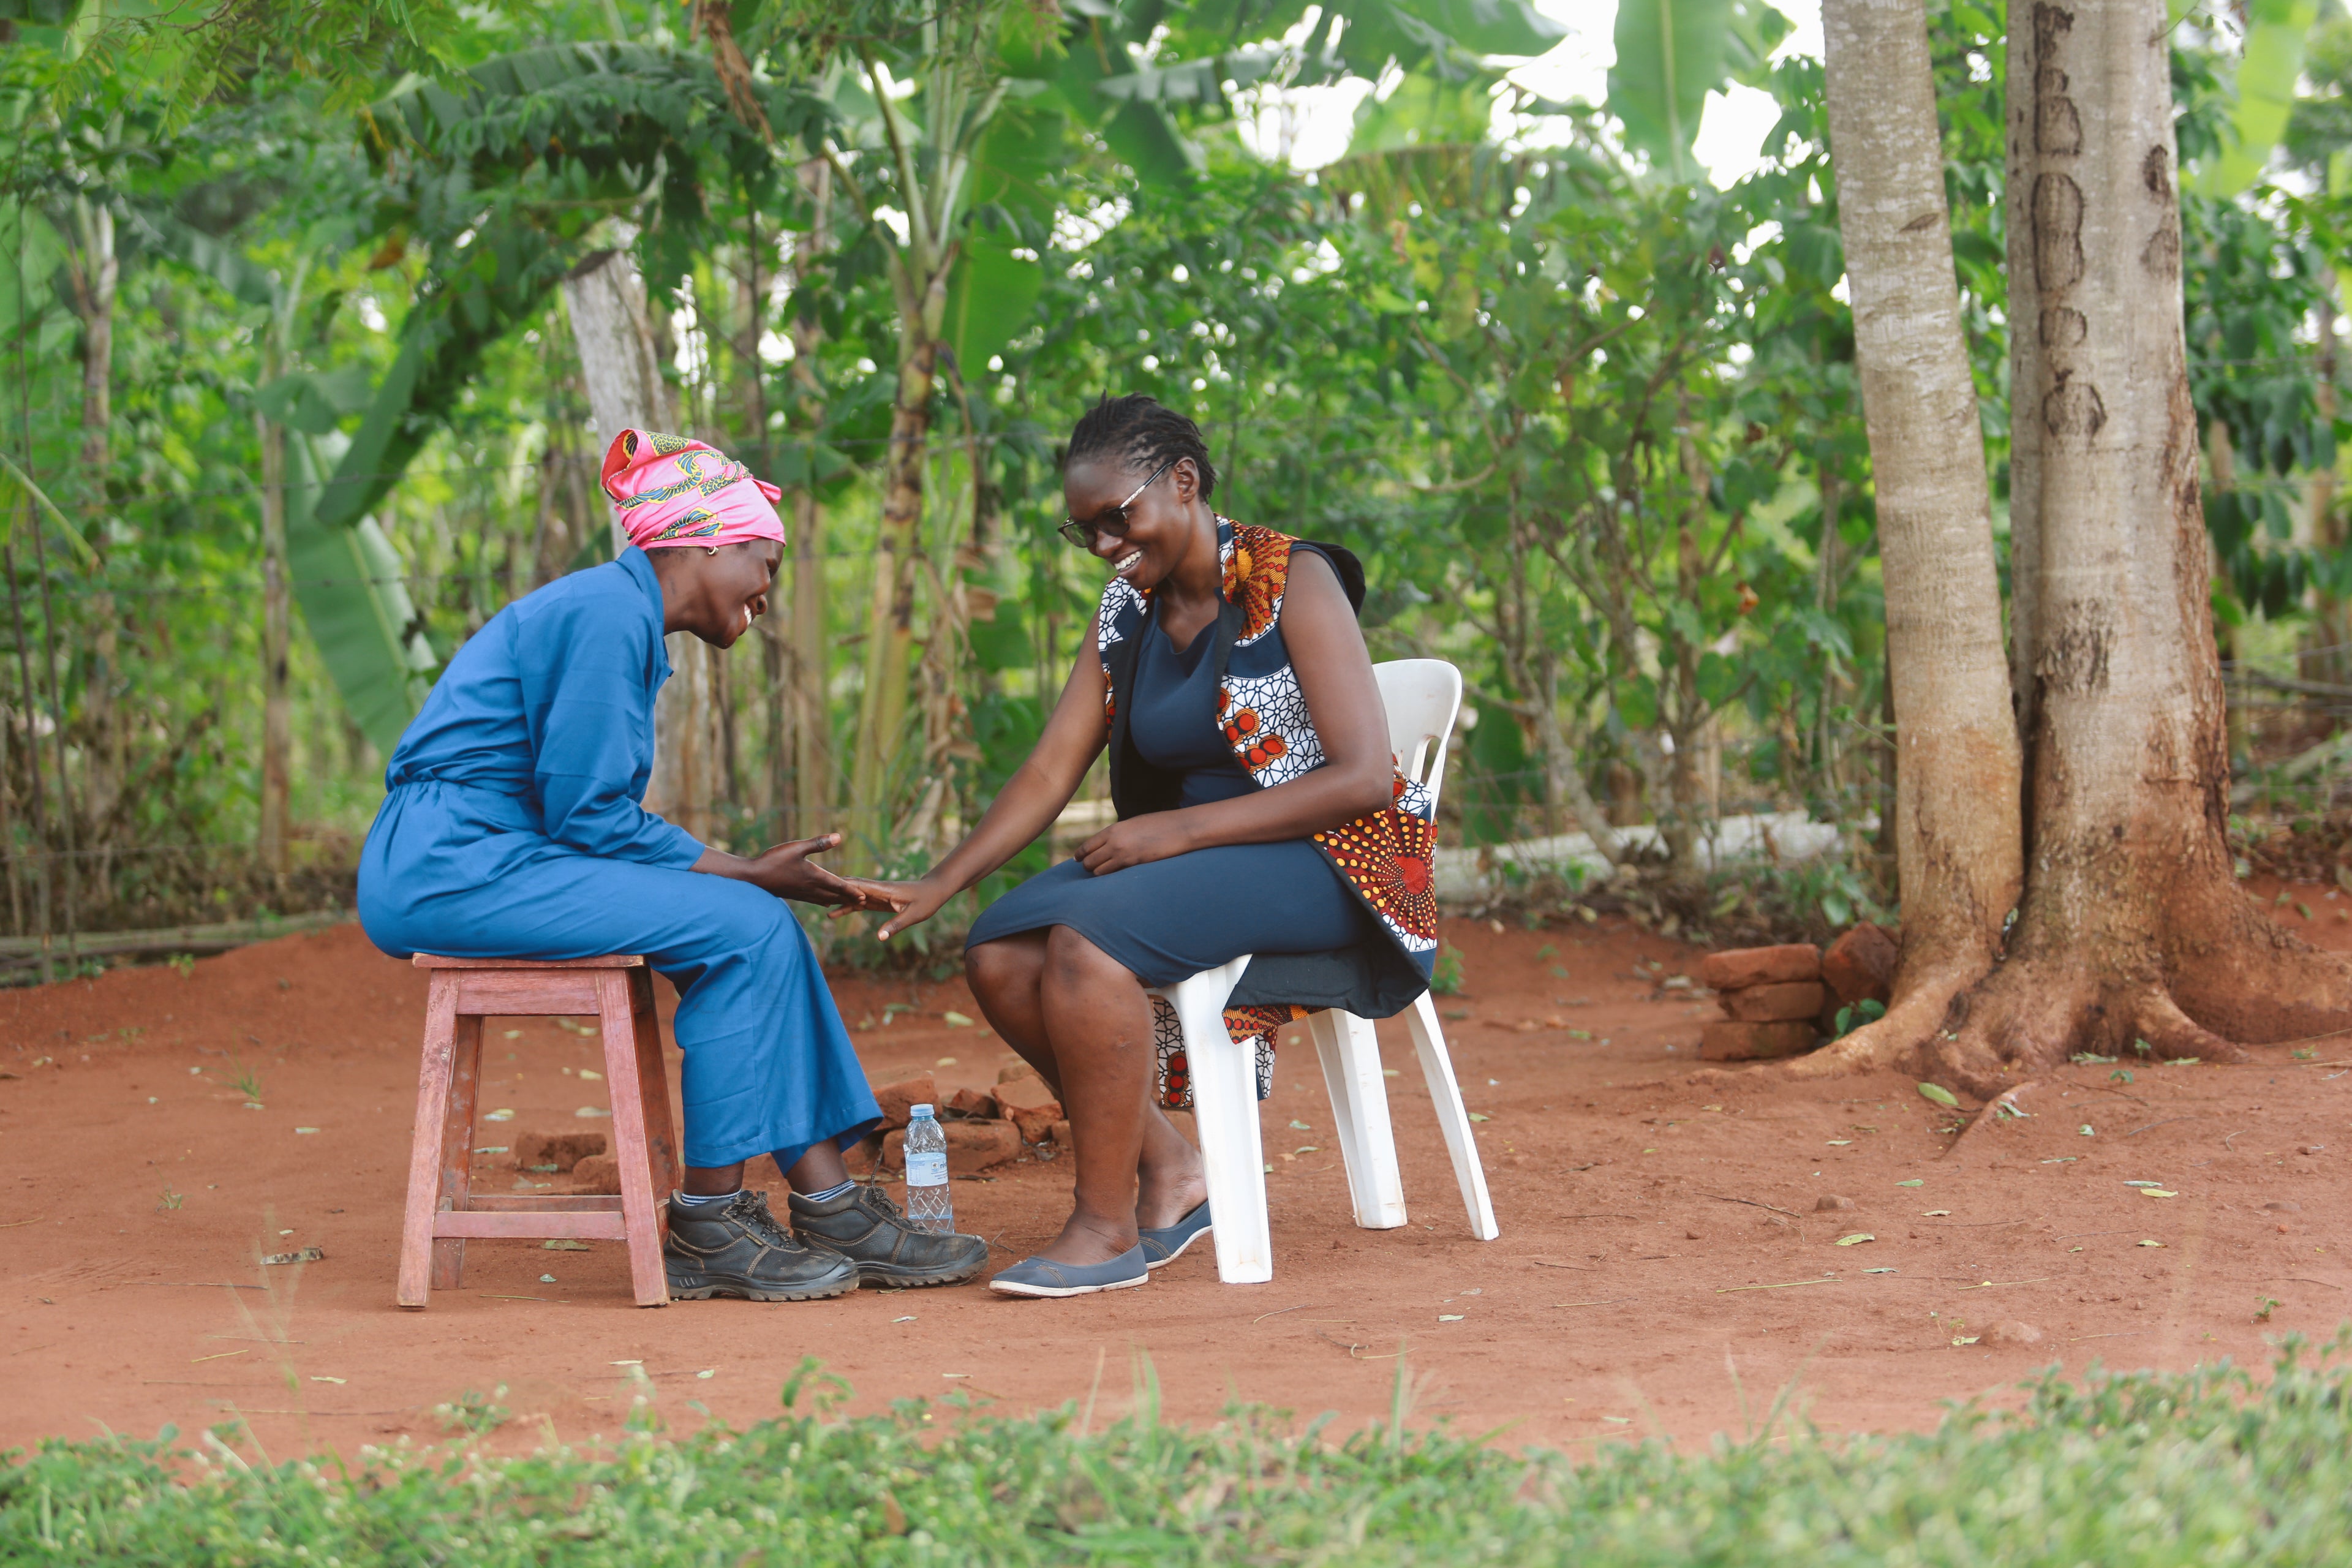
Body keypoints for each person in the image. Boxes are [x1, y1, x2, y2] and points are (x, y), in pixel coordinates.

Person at [358, 428, 988, 1302]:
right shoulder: (609, 613)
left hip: (495, 854)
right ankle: (710, 1225)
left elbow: (582, 813)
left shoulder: (619, 616)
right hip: (450, 863)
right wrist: (748, 872)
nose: (768, 589)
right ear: (701, 543)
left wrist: (752, 880)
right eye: (763, 560)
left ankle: (830, 1202)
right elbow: (589, 817)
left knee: (757, 929)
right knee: (743, 921)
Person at [852, 396, 1439, 1298]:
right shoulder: (1127, 610)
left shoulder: (1294, 580)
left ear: (1184, 482)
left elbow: (1363, 778)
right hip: (1202, 861)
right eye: (1081, 528)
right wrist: (942, 881)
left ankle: (1105, 1227)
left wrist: (1177, 830)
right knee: (1002, 950)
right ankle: (1170, 1171)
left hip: (1330, 858)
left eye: (1115, 518)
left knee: (1092, 946)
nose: (1101, 545)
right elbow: (1052, 770)